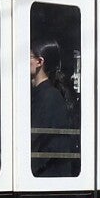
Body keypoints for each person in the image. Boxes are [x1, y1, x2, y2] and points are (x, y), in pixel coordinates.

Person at [29, 41, 78, 176]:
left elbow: (34, 136)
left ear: (40, 62)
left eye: (29, 57)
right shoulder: (44, 93)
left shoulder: (48, 95)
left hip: (48, 175)